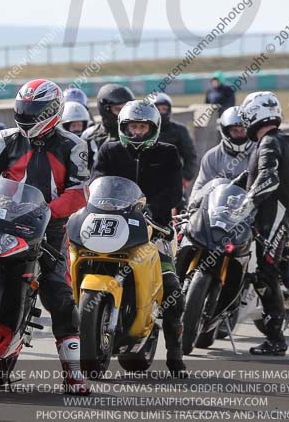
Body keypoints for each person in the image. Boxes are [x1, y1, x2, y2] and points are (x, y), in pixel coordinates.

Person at [0, 79, 90, 395]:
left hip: (48, 227)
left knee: (59, 294)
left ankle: (73, 373)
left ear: (52, 111)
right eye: (23, 110)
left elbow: (79, 192)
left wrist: (47, 210)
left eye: (34, 111)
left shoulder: (74, 145)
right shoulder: (5, 138)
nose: (27, 116)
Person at [91, 100, 187, 376]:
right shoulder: (109, 150)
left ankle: (175, 354)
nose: (137, 132)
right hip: (113, 223)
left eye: (142, 127)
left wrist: (151, 210)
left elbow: (173, 193)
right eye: (132, 126)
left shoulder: (168, 153)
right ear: (123, 127)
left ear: (153, 128)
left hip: (155, 229)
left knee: (172, 290)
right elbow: (97, 181)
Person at [232, 91, 289, 355]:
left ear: (251, 115)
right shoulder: (277, 141)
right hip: (274, 218)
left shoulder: (270, 143)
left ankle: (275, 339)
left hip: (272, 218)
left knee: (264, 275)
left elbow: (267, 179)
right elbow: (250, 176)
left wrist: (247, 203)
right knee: (265, 273)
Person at [189, 106, 253, 202]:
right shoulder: (211, 157)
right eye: (235, 131)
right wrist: (192, 207)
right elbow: (200, 188)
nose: (240, 134)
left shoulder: (259, 152)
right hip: (220, 212)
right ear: (225, 131)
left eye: (243, 130)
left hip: (253, 210)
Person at [152, 93, 198, 195]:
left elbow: (191, 156)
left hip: (173, 180)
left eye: (164, 109)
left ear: (169, 110)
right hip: (147, 180)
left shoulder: (180, 130)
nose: (161, 112)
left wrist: (185, 178)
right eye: (158, 109)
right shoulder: (145, 129)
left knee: (183, 206)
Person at [82, 83, 134, 168]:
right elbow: (81, 171)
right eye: (118, 109)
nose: (124, 113)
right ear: (105, 109)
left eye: (126, 108)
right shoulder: (90, 136)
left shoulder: (137, 133)